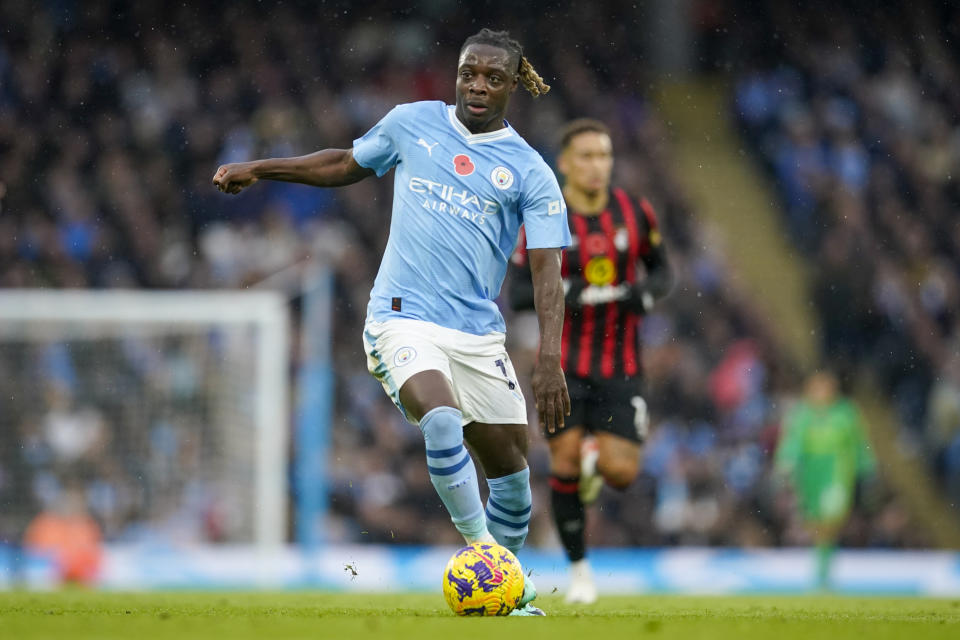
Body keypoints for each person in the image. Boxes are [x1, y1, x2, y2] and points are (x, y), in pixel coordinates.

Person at [213, 28, 570, 615]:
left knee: (512, 473)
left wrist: (551, 357)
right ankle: (485, 557)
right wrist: (262, 167)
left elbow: (548, 271)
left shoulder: (529, 170)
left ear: (512, 87)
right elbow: (343, 163)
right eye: (468, 73)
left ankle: (503, 593)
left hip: (479, 334)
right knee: (441, 417)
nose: (477, 85)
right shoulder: (411, 122)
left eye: (492, 78)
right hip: (401, 317)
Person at [509, 118, 672, 604]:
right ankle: (580, 572)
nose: (596, 165)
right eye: (585, 156)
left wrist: (644, 295)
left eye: (603, 155)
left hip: (621, 365)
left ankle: (598, 456)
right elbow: (519, 293)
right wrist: (569, 292)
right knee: (563, 461)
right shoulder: (544, 215)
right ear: (564, 163)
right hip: (560, 366)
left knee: (622, 475)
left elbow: (663, 272)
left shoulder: (633, 211)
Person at [775, 370, 877, 590]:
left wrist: (867, 467)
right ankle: (823, 572)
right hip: (811, 475)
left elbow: (859, 443)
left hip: (837, 473)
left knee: (830, 521)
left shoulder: (846, 413)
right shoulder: (802, 414)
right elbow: (792, 442)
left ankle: (822, 574)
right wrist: (786, 461)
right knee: (815, 525)